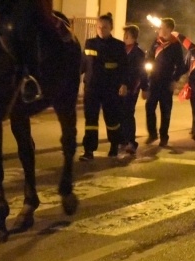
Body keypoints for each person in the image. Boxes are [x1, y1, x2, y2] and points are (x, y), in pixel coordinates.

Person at [79, 13, 128, 161]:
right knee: (90, 121)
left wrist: (124, 84)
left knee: (112, 119)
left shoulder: (118, 46)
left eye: (105, 27)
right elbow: (83, 64)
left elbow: (124, 67)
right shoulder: (89, 43)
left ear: (111, 28)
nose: (101, 29)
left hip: (110, 88)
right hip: (92, 88)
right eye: (99, 26)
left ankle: (114, 145)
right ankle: (89, 150)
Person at [144, 17, 186, 146]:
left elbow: (181, 65)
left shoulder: (175, 45)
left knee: (165, 110)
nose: (159, 29)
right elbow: (149, 57)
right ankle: (152, 134)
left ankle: (164, 136)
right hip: (154, 80)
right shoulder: (156, 42)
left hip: (167, 82)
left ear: (168, 28)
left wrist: (175, 80)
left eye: (161, 27)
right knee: (149, 106)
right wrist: (148, 65)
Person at [120, 24, 147, 156]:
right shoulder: (120, 50)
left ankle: (132, 142)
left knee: (128, 113)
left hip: (132, 88)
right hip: (119, 87)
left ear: (134, 37)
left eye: (127, 35)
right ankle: (122, 139)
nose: (124, 37)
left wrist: (144, 88)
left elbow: (142, 72)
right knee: (120, 112)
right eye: (124, 35)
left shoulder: (138, 53)